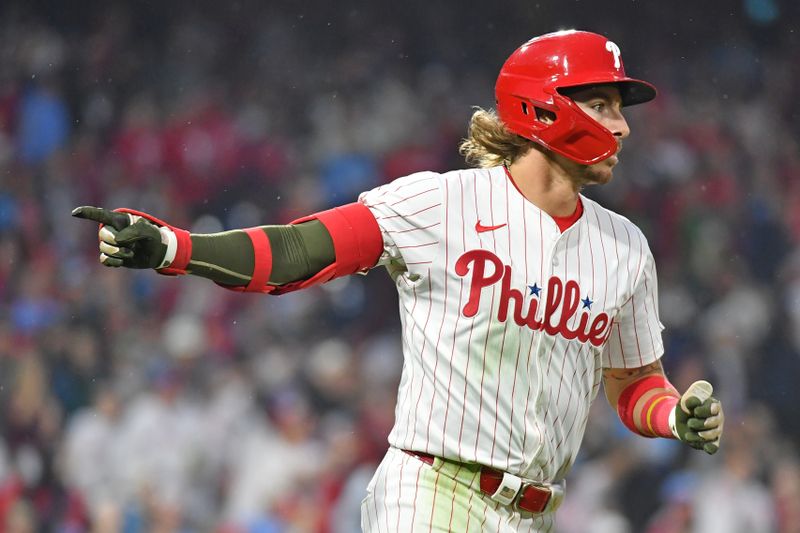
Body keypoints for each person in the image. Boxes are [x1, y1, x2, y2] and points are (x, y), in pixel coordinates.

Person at [73, 30, 725, 532]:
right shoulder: (441, 204)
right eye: (603, 103)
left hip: (537, 511)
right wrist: (171, 245)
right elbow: (301, 249)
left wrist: (674, 416)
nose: (622, 125)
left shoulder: (626, 249)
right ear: (546, 110)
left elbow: (633, 383)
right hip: (431, 492)